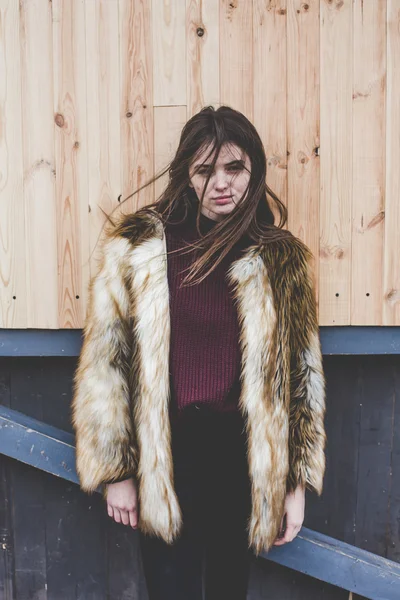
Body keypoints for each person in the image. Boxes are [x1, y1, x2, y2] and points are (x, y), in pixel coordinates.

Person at [71, 105, 326, 599]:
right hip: (168, 451)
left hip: (244, 455)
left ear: (253, 171)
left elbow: (301, 375)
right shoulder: (140, 248)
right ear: (186, 175)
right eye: (205, 170)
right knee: (171, 589)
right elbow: (107, 361)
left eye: (234, 168)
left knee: (230, 589)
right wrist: (116, 470)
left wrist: (293, 483)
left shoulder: (279, 257)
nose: (220, 183)